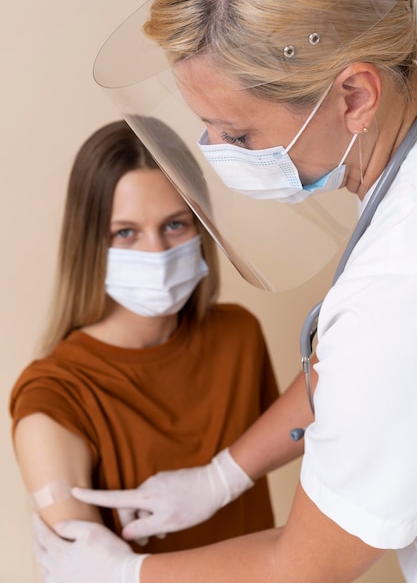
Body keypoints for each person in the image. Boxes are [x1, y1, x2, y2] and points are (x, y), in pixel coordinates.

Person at [34, 0, 417, 582]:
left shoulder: (394, 292)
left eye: (237, 136)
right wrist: (224, 474)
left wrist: (123, 575)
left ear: (355, 96)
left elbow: (302, 568)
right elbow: (348, 372)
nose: (215, 154)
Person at [10, 119, 282, 556]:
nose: (156, 253)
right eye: (126, 232)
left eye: (175, 225)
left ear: (202, 227)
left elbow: (313, 427)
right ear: (91, 245)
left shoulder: (238, 335)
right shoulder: (55, 398)